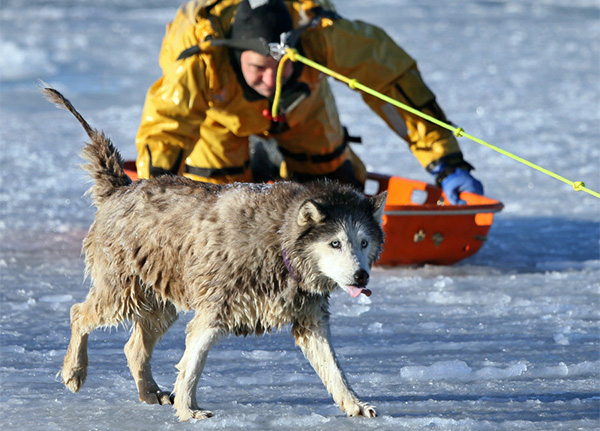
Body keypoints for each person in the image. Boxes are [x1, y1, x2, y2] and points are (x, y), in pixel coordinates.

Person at [135, 0, 483, 204]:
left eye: (283, 67)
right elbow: (168, 127)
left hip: (302, 108)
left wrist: (446, 161)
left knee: (336, 194)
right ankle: (253, 163)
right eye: (259, 68)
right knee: (218, 205)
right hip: (219, 117)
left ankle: (281, 164)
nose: (271, 81)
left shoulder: (322, 36)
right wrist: (151, 199)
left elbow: (393, 84)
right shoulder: (201, 58)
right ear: (237, 55)